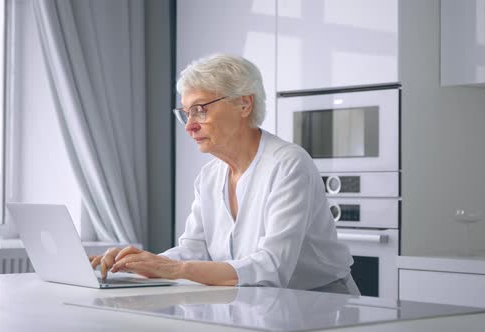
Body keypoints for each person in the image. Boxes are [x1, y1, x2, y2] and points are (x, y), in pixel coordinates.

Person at [90, 54, 360, 295]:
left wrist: (173, 269)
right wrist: (138, 264)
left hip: (320, 305)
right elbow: (194, 250)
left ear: (244, 105)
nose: (190, 127)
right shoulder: (209, 176)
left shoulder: (288, 164)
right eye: (185, 114)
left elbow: (271, 267)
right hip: (256, 302)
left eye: (200, 110)